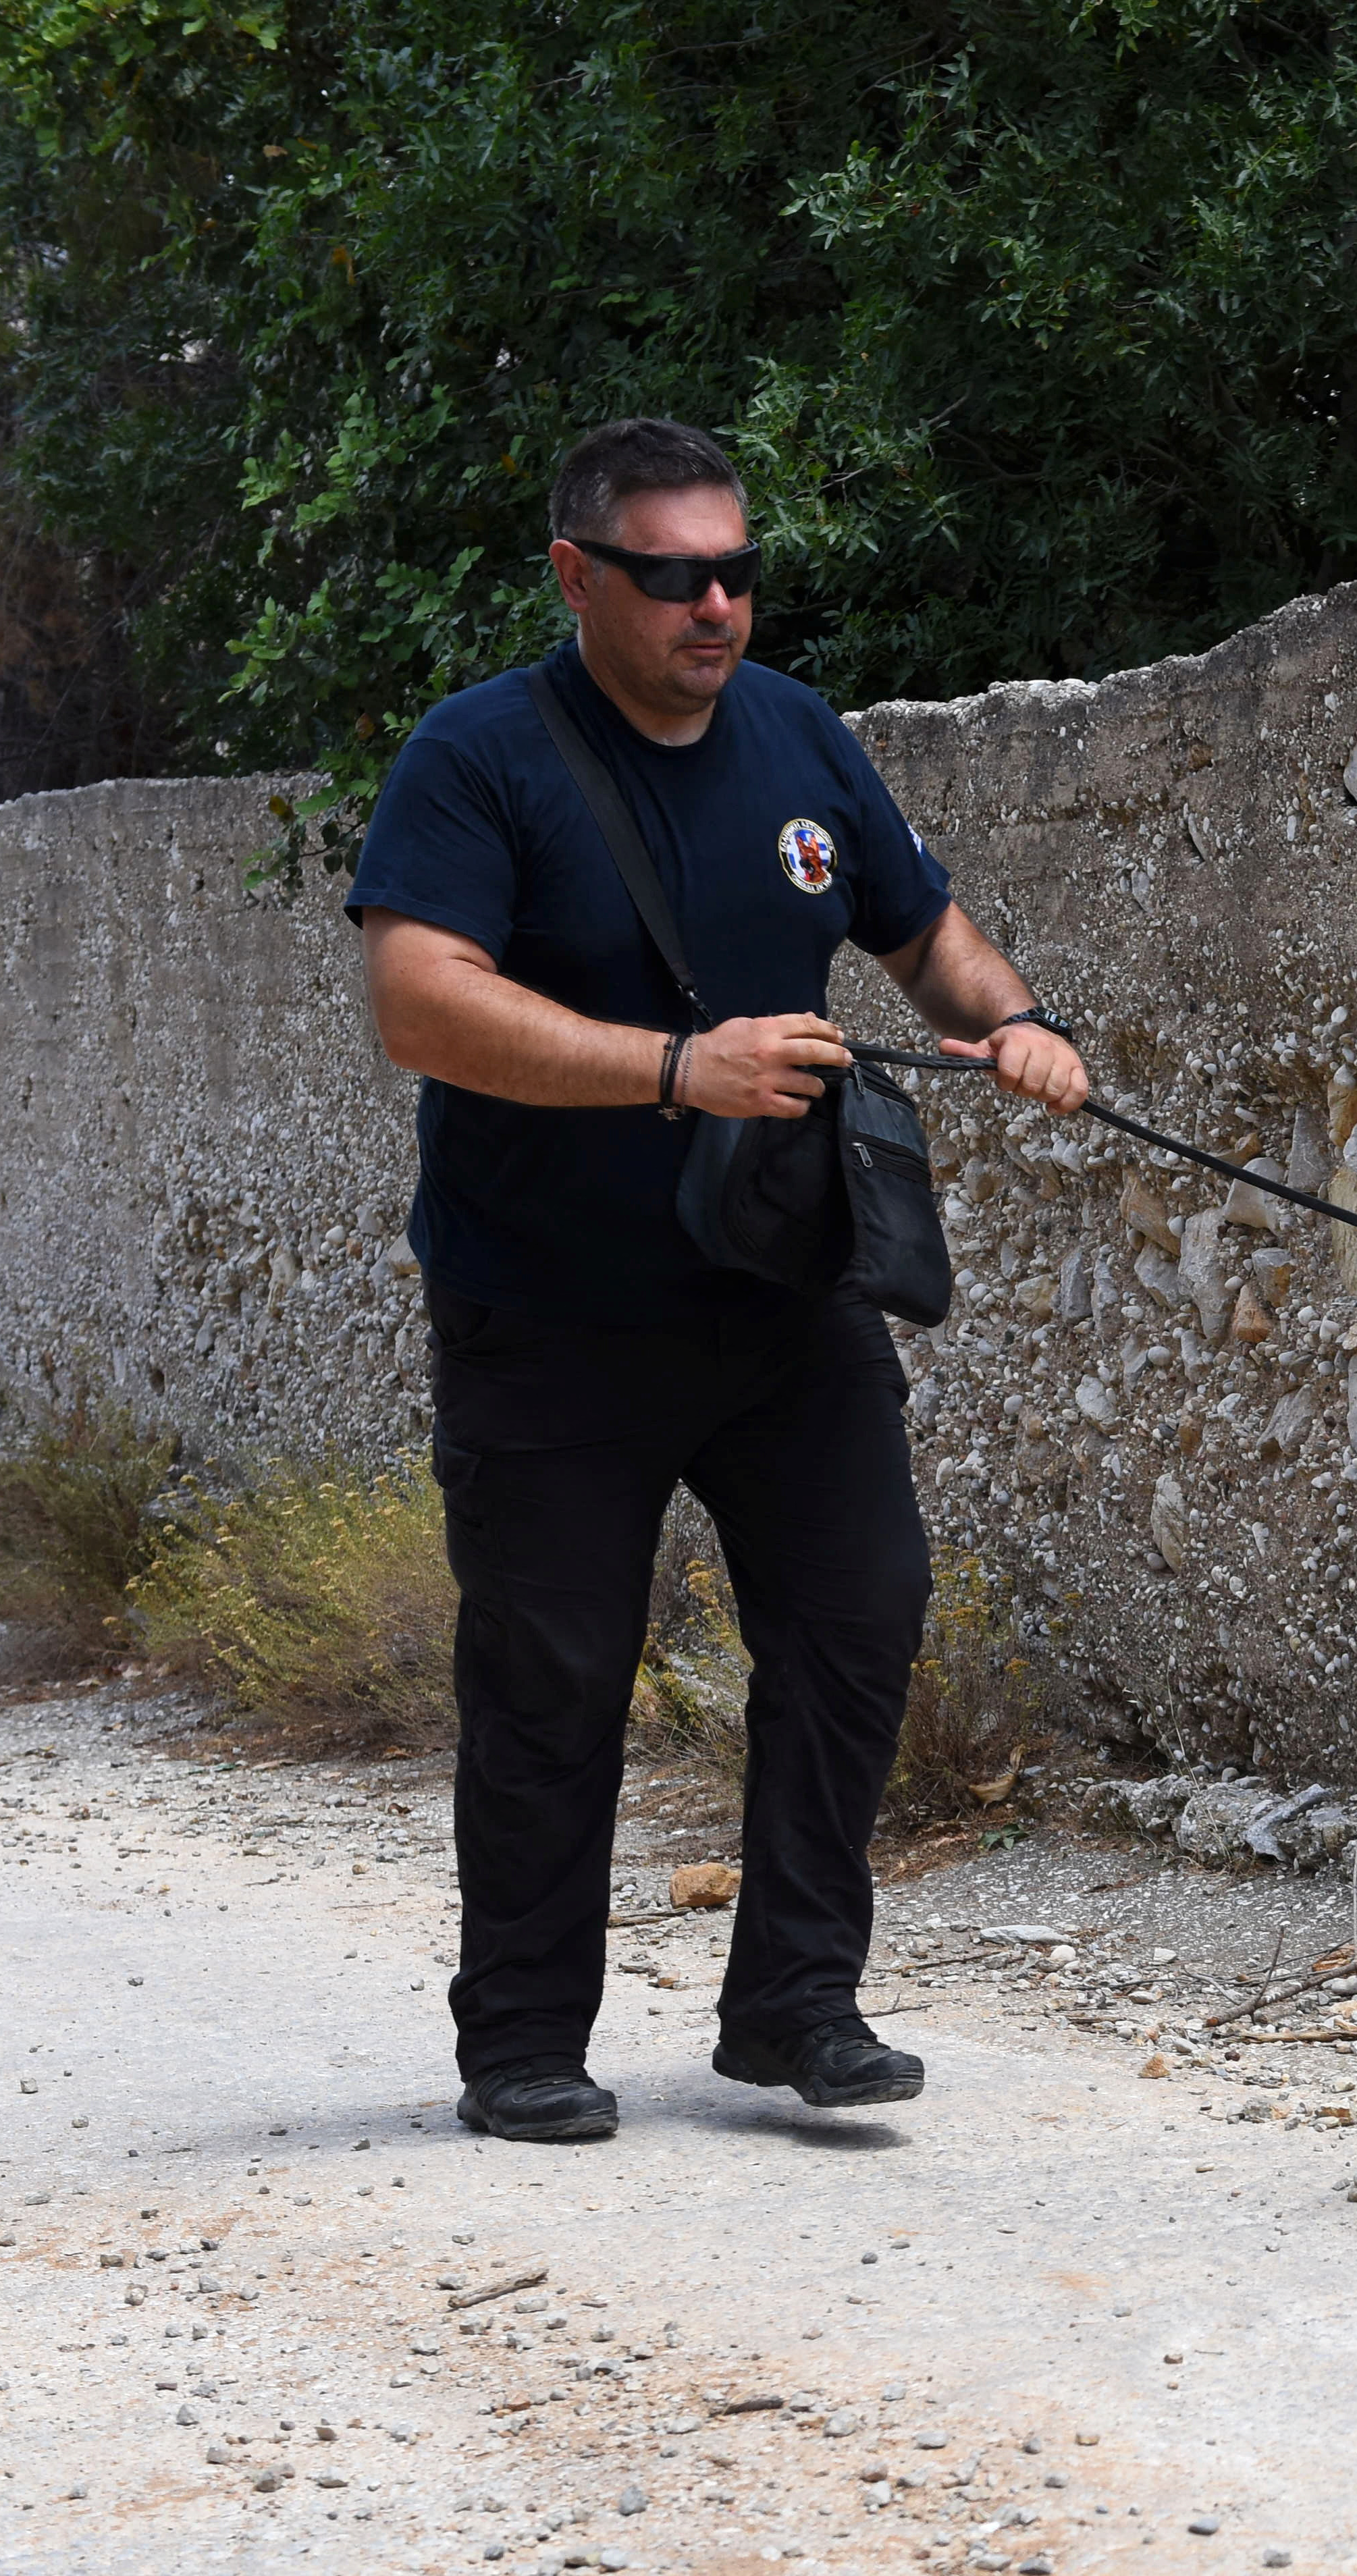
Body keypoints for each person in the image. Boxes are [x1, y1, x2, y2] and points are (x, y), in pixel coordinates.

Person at [345, 416, 1089, 2145]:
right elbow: (417, 1001)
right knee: (553, 1673)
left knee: (856, 1620)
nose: (715, 608)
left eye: (737, 572)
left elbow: (924, 929)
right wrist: (674, 1068)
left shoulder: (797, 736)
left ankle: (797, 2010)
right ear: (577, 575)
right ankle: (523, 2040)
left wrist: (1017, 1018)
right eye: (673, 576)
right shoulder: (478, 759)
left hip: (782, 1292)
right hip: (549, 1310)